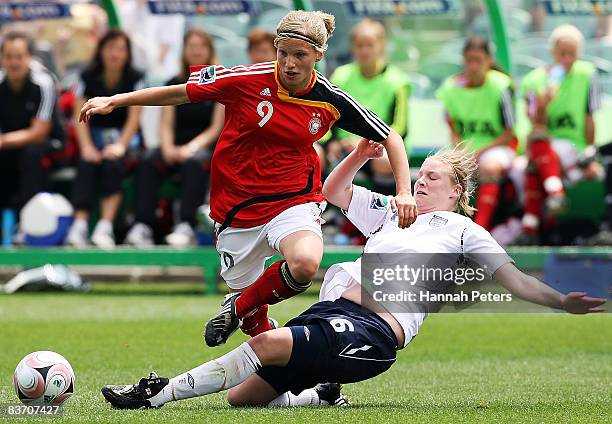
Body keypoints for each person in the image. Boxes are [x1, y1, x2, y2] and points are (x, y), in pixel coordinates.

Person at [99, 139, 607, 410]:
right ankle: (320, 390)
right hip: (334, 312)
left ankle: (156, 392)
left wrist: (562, 302)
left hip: (374, 333)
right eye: (420, 173)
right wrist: (361, 156)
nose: (421, 180)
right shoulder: (393, 212)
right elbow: (333, 193)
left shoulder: (459, 229)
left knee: (271, 347)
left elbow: (515, 281)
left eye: (432, 177)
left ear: (455, 193)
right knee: (241, 400)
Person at [79, 10, 417, 346]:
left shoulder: (329, 99)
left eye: (300, 55)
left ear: (318, 54)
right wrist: (115, 100)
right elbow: (180, 92)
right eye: (283, 53)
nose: (289, 63)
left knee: (305, 262)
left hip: (293, 200)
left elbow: (391, 137)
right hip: (236, 209)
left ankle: (237, 307)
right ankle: (272, 361)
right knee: (257, 330)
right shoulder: (246, 79)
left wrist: (404, 191)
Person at [125, 29, 224, 247]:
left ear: (209, 51)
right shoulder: (174, 81)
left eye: (201, 46)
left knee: (195, 161)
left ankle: (186, 225)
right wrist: (168, 148)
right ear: (184, 51)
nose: (196, 51)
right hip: (174, 147)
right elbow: (166, 123)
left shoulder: (220, 84)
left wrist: (192, 147)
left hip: (202, 149)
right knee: (148, 159)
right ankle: (143, 226)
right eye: (191, 46)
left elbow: (216, 128)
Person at [516, 24, 603, 244]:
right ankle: (553, 200)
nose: (566, 59)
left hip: (572, 146)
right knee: (538, 143)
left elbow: (589, 116)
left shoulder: (587, 74)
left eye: (571, 54)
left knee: (536, 164)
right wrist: (544, 103)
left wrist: (591, 151)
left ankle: (531, 226)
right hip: (545, 146)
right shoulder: (534, 80)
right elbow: (535, 123)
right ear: (552, 52)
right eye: (562, 53)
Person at [65, 29, 145, 249]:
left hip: (125, 142)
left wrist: (120, 146)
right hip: (93, 140)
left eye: (120, 49)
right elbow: (77, 115)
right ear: (101, 51)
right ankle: (79, 226)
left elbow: (135, 118)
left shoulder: (136, 78)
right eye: (110, 48)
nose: (115, 54)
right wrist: (87, 147)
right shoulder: (86, 77)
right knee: (87, 164)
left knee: (113, 164)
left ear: (127, 54)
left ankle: (105, 226)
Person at [436, 36, 517, 234]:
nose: (473, 66)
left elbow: (509, 134)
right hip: (466, 150)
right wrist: (462, 152)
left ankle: (480, 229)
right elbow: (453, 127)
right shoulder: (450, 88)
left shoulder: (501, 86)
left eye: (478, 60)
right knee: (440, 171)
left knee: (490, 166)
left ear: (488, 61)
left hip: (498, 148)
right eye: (469, 60)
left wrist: (479, 152)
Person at [324, 18, 410, 195]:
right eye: (359, 45)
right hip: (343, 149)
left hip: (378, 149)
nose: (364, 50)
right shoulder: (340, 76)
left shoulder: (398, 82)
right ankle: (329, 215)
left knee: (385, 162)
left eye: (370, 45)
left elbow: (400, 127)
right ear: (353, 47)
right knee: (315, 155)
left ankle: (383, 214)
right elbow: (326, 115)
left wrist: (364, 143)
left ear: (381, 45)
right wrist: (332, 142)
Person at [0, 31, 63, 223]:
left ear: (29, 57)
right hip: (9, 146)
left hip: (49, 145)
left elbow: (39, 133)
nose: (14, 63)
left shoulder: (43, 82)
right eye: (8, 57)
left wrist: (3, 140)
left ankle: (28, 224)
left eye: (19, 56)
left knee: (31, 154)